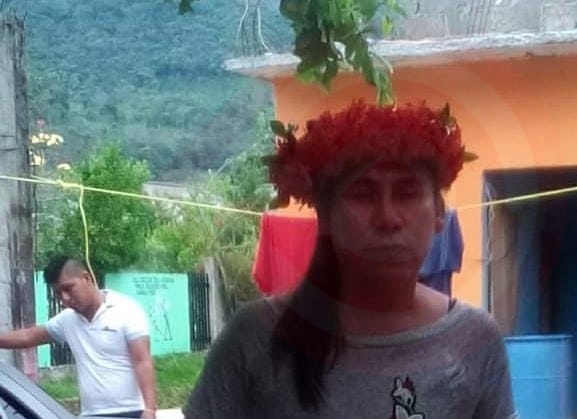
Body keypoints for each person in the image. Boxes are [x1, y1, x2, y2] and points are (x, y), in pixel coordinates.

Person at [184, 101, 517, 418]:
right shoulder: (255, 335)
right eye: (362, 194)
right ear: (327, 217)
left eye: (407, 193)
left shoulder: (475, 338)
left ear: (440, 214)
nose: (388, 218)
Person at [0, 256, 157, 418]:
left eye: (68, 289)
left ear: (86, 278)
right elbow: (27, 337)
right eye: (58, 293)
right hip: (91, 414)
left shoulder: (126, 310)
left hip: (132, 411)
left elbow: (142, 361)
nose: (65, 298)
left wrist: (149, 410)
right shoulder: (67, 320)